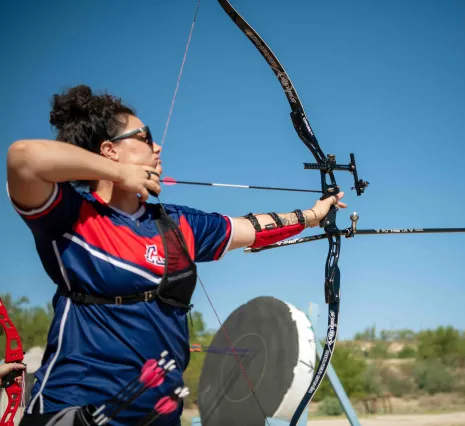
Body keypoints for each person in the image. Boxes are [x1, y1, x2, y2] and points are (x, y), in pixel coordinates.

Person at [6, 85, 346, 425]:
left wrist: (314, 215)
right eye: (144, 137)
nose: (158, 147)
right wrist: (118, 174)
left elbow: (252, 227)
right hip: (77, 408)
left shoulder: (176, 224)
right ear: (109, 150)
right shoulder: (71, 216)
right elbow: (23, 158)